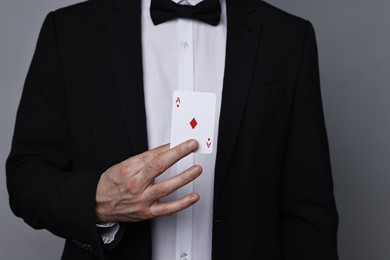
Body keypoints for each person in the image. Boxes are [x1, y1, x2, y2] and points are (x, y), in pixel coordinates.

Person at [6, 0, 339, 259]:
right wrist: (97, 201)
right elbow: (27, 177)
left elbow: (309, 212)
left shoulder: (289, 38)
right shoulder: (69, 31)